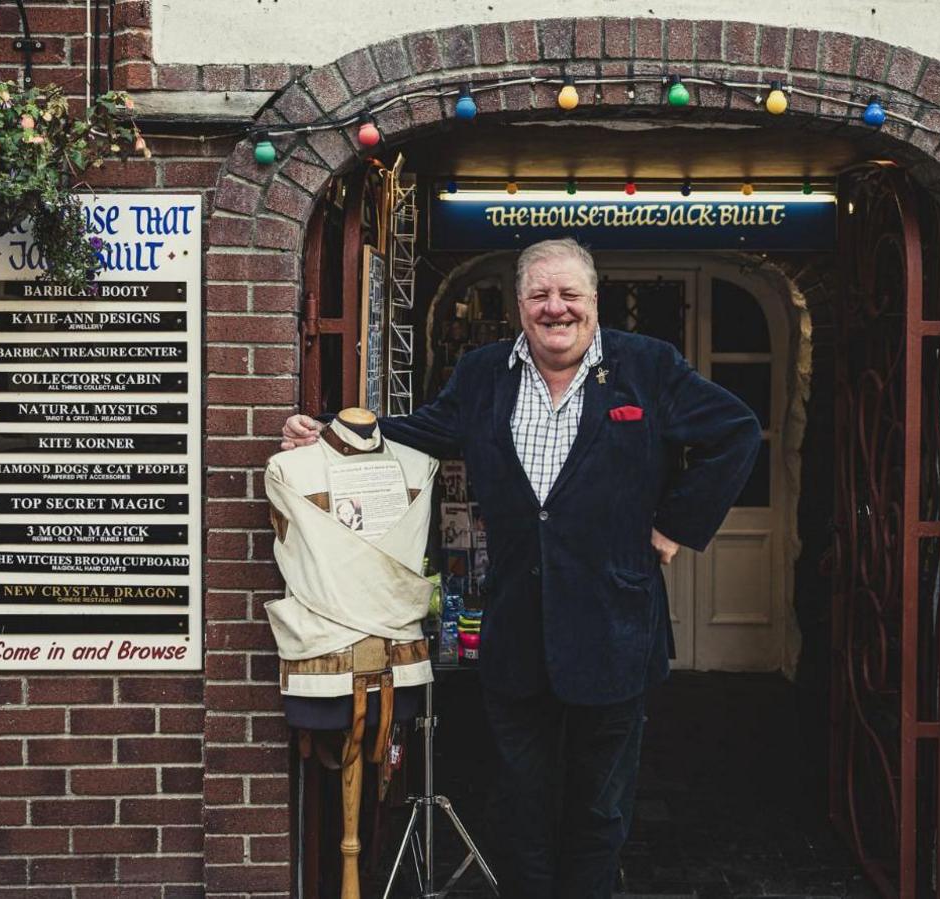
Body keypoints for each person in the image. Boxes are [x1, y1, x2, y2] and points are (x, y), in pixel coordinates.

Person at [280, 237, 760, 897]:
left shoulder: (647, 366)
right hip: (517, 629)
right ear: (519, 304)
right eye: (540, 295)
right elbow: (424, 428)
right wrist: (332, 429)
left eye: (570, 295)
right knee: (520, 805)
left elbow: (736, 430)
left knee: (599, 808)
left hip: (615, 627)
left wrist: (675, 525)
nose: (555, 308)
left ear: (594, 301)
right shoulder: (483, 372)